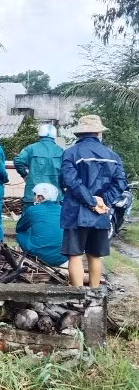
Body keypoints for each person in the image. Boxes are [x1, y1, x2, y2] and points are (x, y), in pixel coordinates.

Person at [60, 114, 127, 288]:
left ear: (79, 134)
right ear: (98, 133)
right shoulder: (113, 155)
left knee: (74, 255)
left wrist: (91, 201)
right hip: (101, 213)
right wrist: (102, 201)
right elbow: (120, 183)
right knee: (95, 255)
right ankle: (95, 294)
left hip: (75, 212)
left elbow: (70, 182)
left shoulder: (70, 153)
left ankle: (77, 297)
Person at [14, 124, 64, 212]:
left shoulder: (30, 149)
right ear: (54, 136)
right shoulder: (60, 150)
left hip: (33, 194)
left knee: (30, 220)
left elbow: (18, 161)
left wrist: (24, 174)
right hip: (55, 195)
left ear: (40, 135)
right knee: (54, 221)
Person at [15, 183, 66, 266]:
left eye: (35, 195)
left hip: (39, 256)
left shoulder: (32, 210)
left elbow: (19, 228)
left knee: (20, 234)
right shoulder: (63, 210)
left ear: (40, 197)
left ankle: (24, 260)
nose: (33, 197)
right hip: (63, 257)